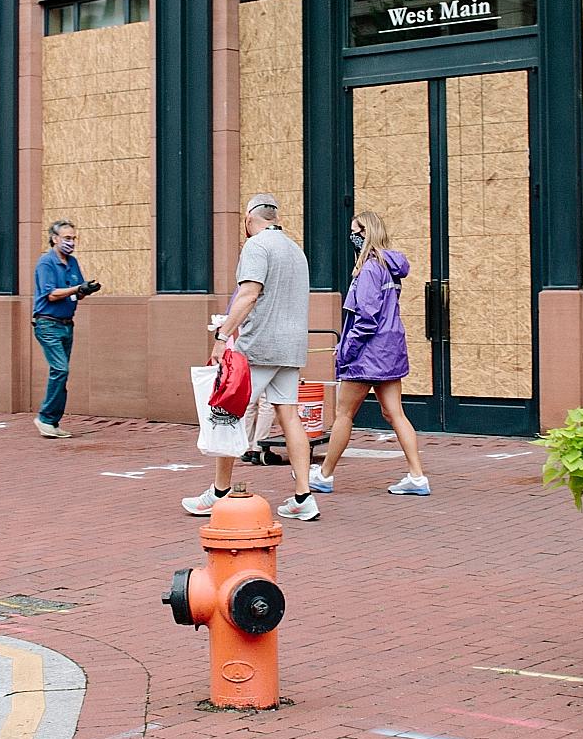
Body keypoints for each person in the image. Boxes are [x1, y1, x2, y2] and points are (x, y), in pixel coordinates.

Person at [182, 193, 318, 521]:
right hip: (292, 347)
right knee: (289, 415)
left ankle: (219, 492)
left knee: (228, 412)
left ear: (248, 219)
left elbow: (248, 294)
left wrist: (222, 336)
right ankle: (303, 495)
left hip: (259, 346)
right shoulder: (295, 250)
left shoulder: (257, 247)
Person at [309, 211, 429, 496]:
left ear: (366, 233)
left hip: (366, 354)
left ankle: (324, 475)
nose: (352, 236)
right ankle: (417, 476)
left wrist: (345, 352)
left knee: (344, 415)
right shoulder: (390, 267)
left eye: (355, 231)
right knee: (395, 413)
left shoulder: (369, 270)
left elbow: (365, 319)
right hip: (390, 351)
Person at [31, 220, 99, 438]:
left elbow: (74, 292)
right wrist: (78, 288)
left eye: (73, 239)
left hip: (66, 324)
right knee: (60, 370)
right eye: (67, 238)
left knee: (60, 373)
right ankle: (45, 418)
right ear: (54, 238)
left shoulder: (72, 262)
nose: (71, 243)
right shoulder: (46, 263)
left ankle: (51, 421)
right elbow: (51, 294)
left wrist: (86, 290)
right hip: (47, 323)